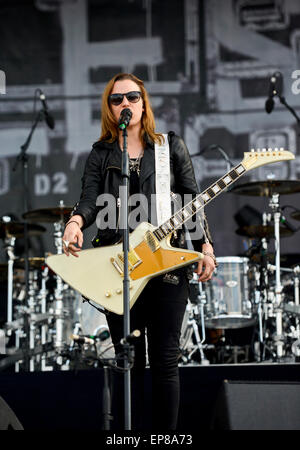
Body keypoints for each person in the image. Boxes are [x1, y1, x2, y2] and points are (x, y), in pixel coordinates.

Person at [62, 73, 216, 430]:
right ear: (110, 108)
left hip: (166, 265)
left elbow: (192, 200)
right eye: (117, 100)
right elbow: (88, 199)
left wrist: (205, 246)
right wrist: (74, 223)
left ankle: (164, 438)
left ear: (143, 104)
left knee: (165, 360)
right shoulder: (101, 153)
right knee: (128, 360)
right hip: (120, 265)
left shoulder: (169, 147)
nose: (125, 104)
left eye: (132, 97)